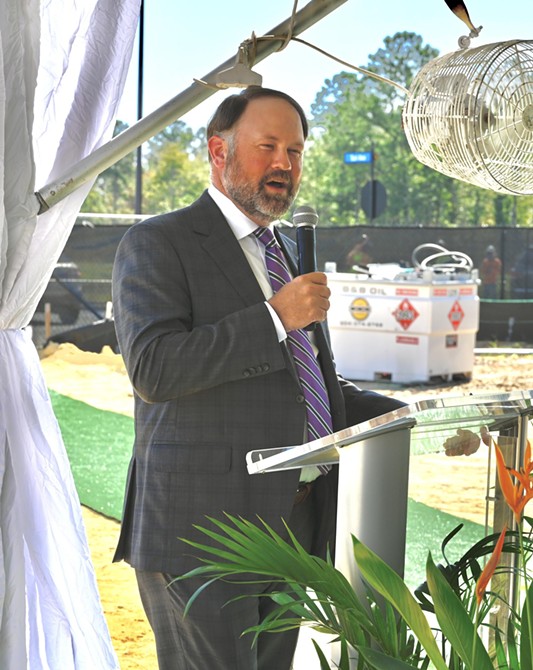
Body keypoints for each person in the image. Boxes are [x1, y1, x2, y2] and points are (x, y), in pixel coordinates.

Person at [111, 86, 405, 670]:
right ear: (218, 152)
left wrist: (407, 415)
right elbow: (155, 368)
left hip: (291, 522)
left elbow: (312, 391)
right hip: (204, 531)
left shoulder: (282, 253)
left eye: (295, 151)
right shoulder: (158, 242)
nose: (283, 165)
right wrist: (275, 316)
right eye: (267, 146)